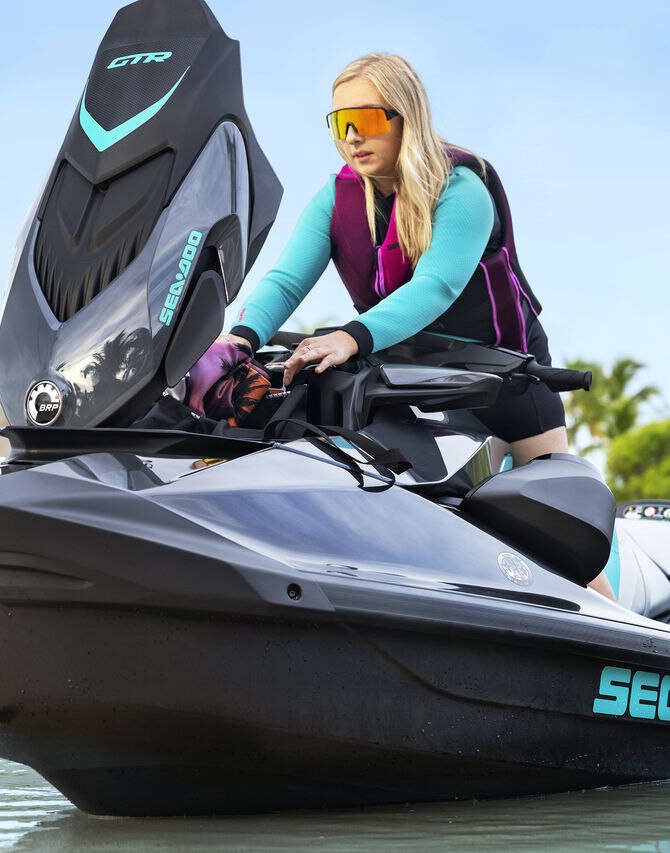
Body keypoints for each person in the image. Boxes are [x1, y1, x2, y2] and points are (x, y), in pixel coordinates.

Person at [217, 53, 615, 599]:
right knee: (438, 525)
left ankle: (626, 634)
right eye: (340, 123)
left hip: (504, 376)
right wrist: (236, 341)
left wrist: (349, 337)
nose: (352, 137)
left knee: (559, 546)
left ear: (406, 117)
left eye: (367, 119)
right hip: (410, 376)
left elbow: (437, 286)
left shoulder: (462, 188)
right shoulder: (336, 198)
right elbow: (285, 283)